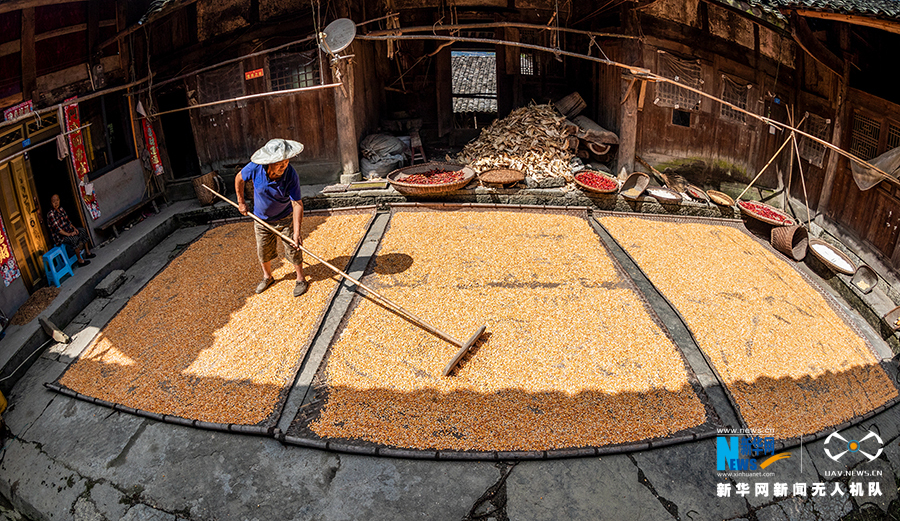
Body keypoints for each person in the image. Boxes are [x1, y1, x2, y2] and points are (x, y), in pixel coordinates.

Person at [235, 138, 308, 297]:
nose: (283, 166)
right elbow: (239, 178)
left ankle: (301, 278)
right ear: (269, 162)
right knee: (263, 250)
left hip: (284, 217)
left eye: (286, 161)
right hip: (262, 220)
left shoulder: (290, 174)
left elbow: (297, 204)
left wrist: (296, 232)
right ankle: (268, 277)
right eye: (279, 163)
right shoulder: (255, 168)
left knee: (294, 247)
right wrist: (241, 202)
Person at [46, 194, 95, 266]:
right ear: (51, 203)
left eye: (57, 200)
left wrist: (74, 229)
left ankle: (88, 253)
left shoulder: (61, 209)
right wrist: (69, 234)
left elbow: (68, 222)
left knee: (82, 231)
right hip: (61, 237)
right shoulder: (51, 214)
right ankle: (80, 260)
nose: (56, 203)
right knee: (74, 239)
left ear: (59, 200)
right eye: (54, 201)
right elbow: (58, 230)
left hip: (69, 231)